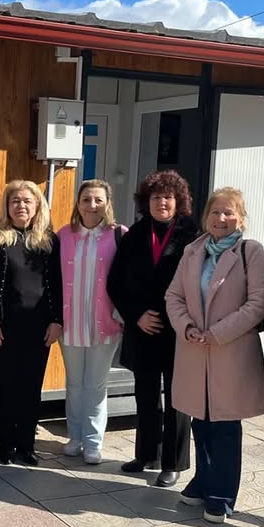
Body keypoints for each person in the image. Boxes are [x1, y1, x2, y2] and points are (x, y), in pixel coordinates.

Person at [165, 187, 264, 523]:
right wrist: (186, 327)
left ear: (241, 218)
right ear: (205, 217)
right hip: (195, 350)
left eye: (229, 213)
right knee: (201, 419)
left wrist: (219, 332)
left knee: (225, 423)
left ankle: (223, 494)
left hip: (230, 351)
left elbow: (258, 303)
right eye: (215, 212)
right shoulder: (193, 251)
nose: (221, 219)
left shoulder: (250, 252)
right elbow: (173, 296)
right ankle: (203, 480)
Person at [107, 170, 199, 487]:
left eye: (168, 197)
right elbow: (115, 283)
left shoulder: (193, 235)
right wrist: (136, 315)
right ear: (146, 202)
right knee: (146, 396)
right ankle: (147, 454)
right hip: (143, 328)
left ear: (179, 201)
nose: (162, 202)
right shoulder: (134, 234)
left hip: (179, 331)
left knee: (178, 399)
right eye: (156, 197)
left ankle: (173, 463)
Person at [0, 180, 63, 465]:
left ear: (37, 205)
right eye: (15, 201)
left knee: (30, 388)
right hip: (3, 328)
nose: (21, 206)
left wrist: (57, 321)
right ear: (7, 205)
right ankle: (6, 446)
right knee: (5, 387)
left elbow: (57, 285)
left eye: (27, 201)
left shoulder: (49, 240)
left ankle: (26, 446)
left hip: (39, 328)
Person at [57, 179, 126, 465]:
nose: (92, 205)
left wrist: (121, 314)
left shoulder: (120, 234)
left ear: (107, 204)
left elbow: (128, 277)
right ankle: (74, 436)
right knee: (74, 383)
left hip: (104, 322)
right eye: (86, 199)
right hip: (70, 322)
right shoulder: (63, 235)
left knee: (96, 384)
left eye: (98, 200)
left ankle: (93, 441)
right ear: (78, 203)